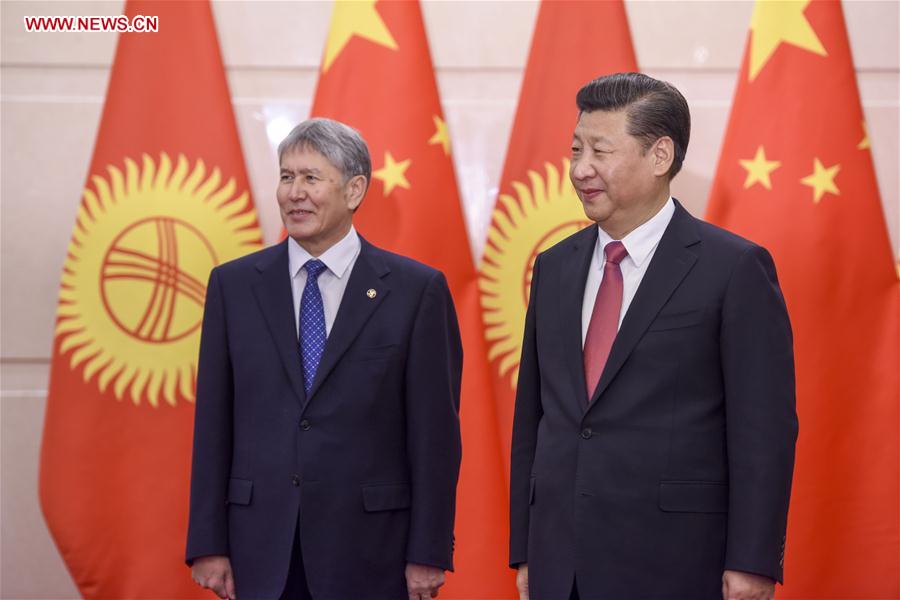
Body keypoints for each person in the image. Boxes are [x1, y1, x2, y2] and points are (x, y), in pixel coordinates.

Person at [509, 72, 798, 600]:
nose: (579, 169)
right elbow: (535, 417)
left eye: (600, 150)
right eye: (575, 149)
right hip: (560, 561)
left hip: (676, 560)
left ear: (660, 155)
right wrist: (526, 549)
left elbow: (763, 430)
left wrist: (753, 561)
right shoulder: (554, 267)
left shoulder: (733, 268)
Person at [186, 118, 462, 600]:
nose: (295, 193)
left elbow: (435, 435)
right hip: (260, 546)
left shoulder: (416, 291)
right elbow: (213, 422)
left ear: (355, 190)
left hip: (373, 550)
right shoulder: (233, 286)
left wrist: (429, 550)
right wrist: (208, 543)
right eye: (287, 177)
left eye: (311, 178)